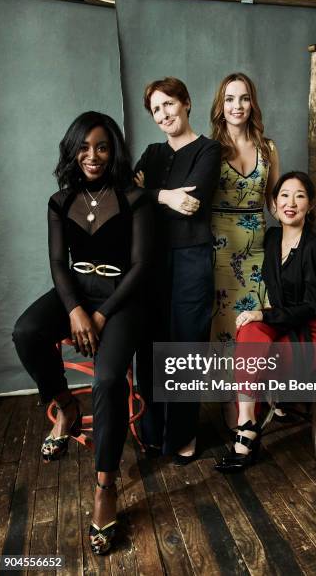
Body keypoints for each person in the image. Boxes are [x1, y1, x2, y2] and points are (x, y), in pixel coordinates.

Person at [12, 111, 153, 554]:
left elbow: (142, 266)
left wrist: (100, 315)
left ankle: (105, 486)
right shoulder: (60, 201)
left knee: (109, 379)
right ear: (73, 150)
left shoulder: (136, 198)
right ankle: (65, 406)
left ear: (114, 151)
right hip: (77, 291)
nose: (93, 156)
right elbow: (58, 263)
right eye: (85, 147)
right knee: (27, 331)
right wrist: (75, 308)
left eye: (103, 147)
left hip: (122, 299)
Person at [214, 171, 316, 472]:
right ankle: (248, 421)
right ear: (274, 202)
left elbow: (310, 308)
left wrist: (263, 314)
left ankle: (245, 437)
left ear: (310, 204)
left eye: (299, 196)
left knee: (257, 346)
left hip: (312, 331)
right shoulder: (270, 239)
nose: (290, 202)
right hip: (281, 322)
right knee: (249, 332)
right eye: (284, 195)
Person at [134, 77, 221, 464]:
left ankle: (184, 434)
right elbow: (127, 195)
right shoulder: (151, 153)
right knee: (150, 344)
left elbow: (196, 199)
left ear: (186, 103)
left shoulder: (209, 149)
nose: (163, 114)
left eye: (168, 104)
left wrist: (151, 196)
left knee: (186, 346)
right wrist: (166, 195)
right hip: (150, 262)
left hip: (192, 260)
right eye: (156, 109)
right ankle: (151, 432)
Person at [209, 72, 280, 430]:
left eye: (244, 98)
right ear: (221, 107)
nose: (237, 106)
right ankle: (229, 401)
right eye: (230, 99)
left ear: (253, 103)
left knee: (250, 326)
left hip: (257, 252)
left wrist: (297, 230)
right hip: (220, 250)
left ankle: (251, 399)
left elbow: (272, 201)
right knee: (222, 328)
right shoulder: (209, 149)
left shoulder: (268, 148)